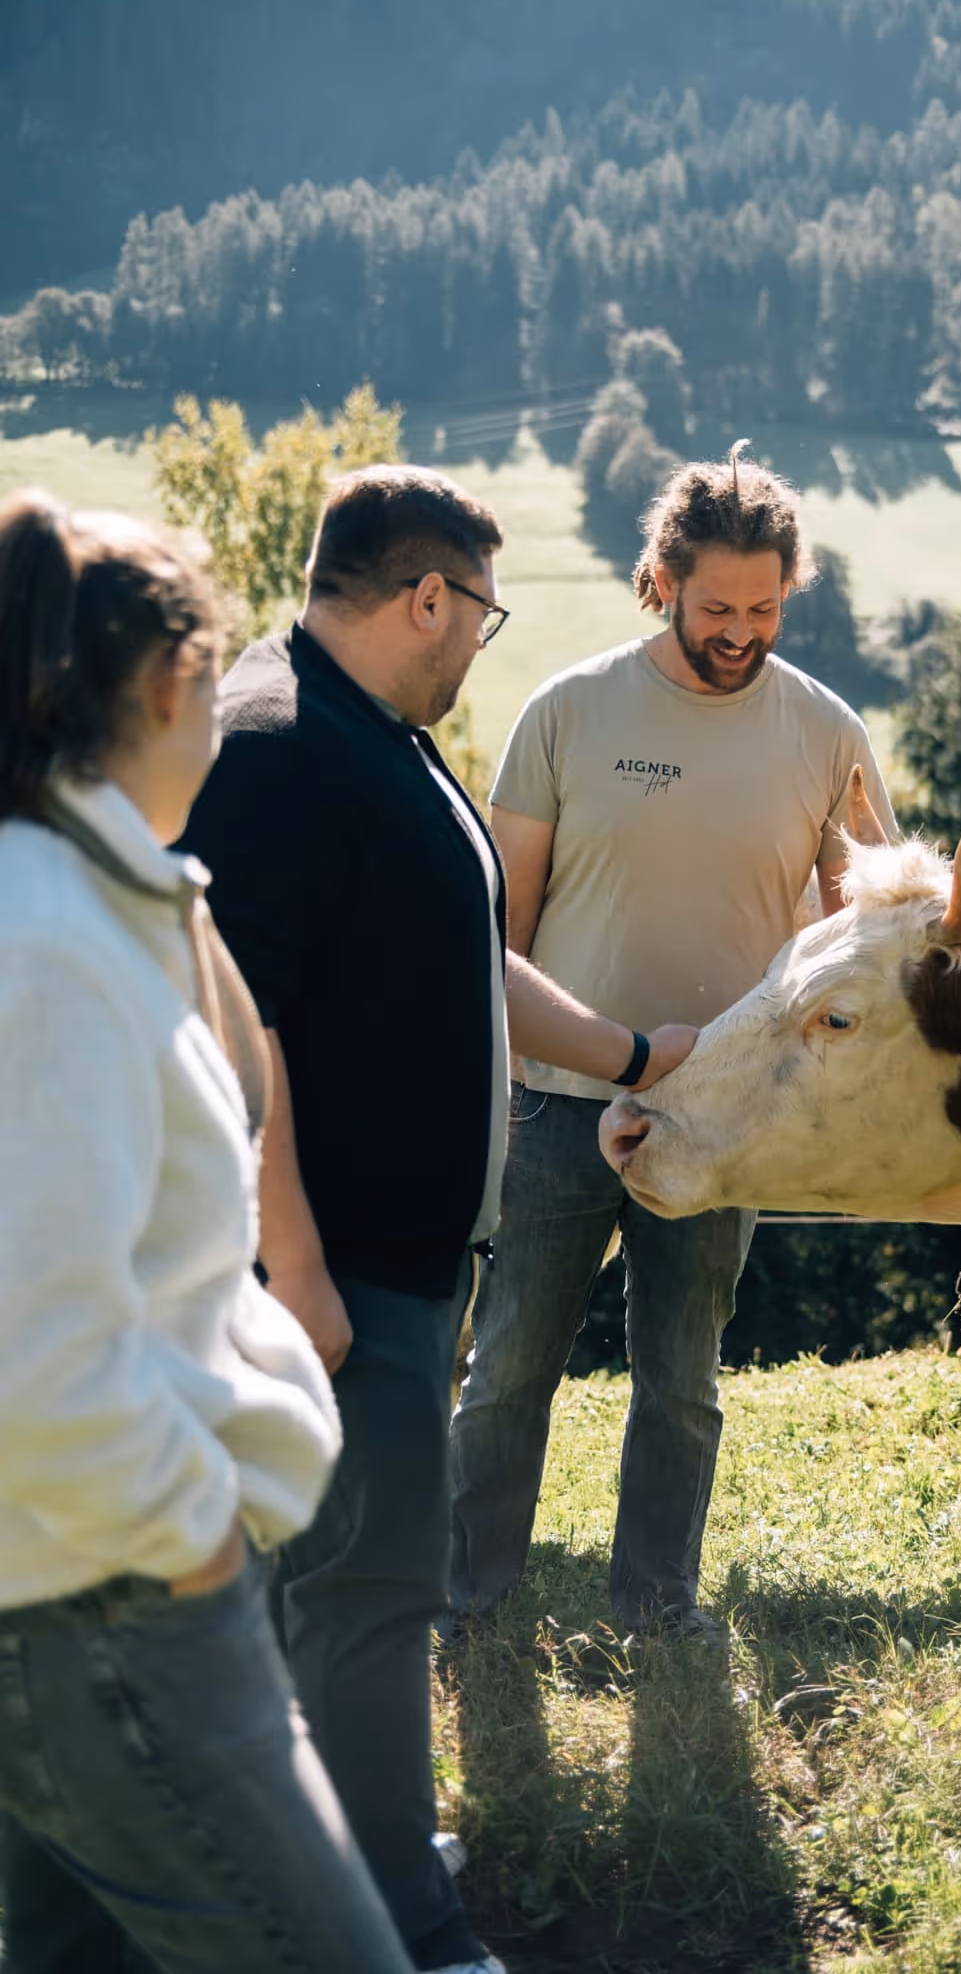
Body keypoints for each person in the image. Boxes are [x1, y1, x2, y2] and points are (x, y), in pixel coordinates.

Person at [181, 464, 693, 1974]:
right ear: (427, 598)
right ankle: (399, 1932)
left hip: (398, 1268)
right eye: (480, 608)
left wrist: (634, 1055)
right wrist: (296, 1266)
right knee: (368, 1598)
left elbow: (473, 964)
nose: (483, 636)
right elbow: (240, 1018)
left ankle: (340, 1871)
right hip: (341, 1282)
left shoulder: (380, 746)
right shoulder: (278, 748)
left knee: (345, 1592)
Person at [0, 490, 418, 1974]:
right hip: (111, 1608)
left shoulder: (83, 900)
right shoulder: (43, 939)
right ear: (168, 683)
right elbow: (32, 1356)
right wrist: (188, 1542)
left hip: (71, 1591)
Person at [446, 444, 898, 1641]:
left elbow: (866, 940)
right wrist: (513, 1081)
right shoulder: (567, 710)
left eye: (762, 607)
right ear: (660, 579)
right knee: (505, 1374)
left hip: (720, 1115)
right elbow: (503, 925)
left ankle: (656, 1605)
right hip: (553, 1100)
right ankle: (467, 1601)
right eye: (715, 608)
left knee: (683, 1385)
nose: (740, 630)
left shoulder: (828, 733)